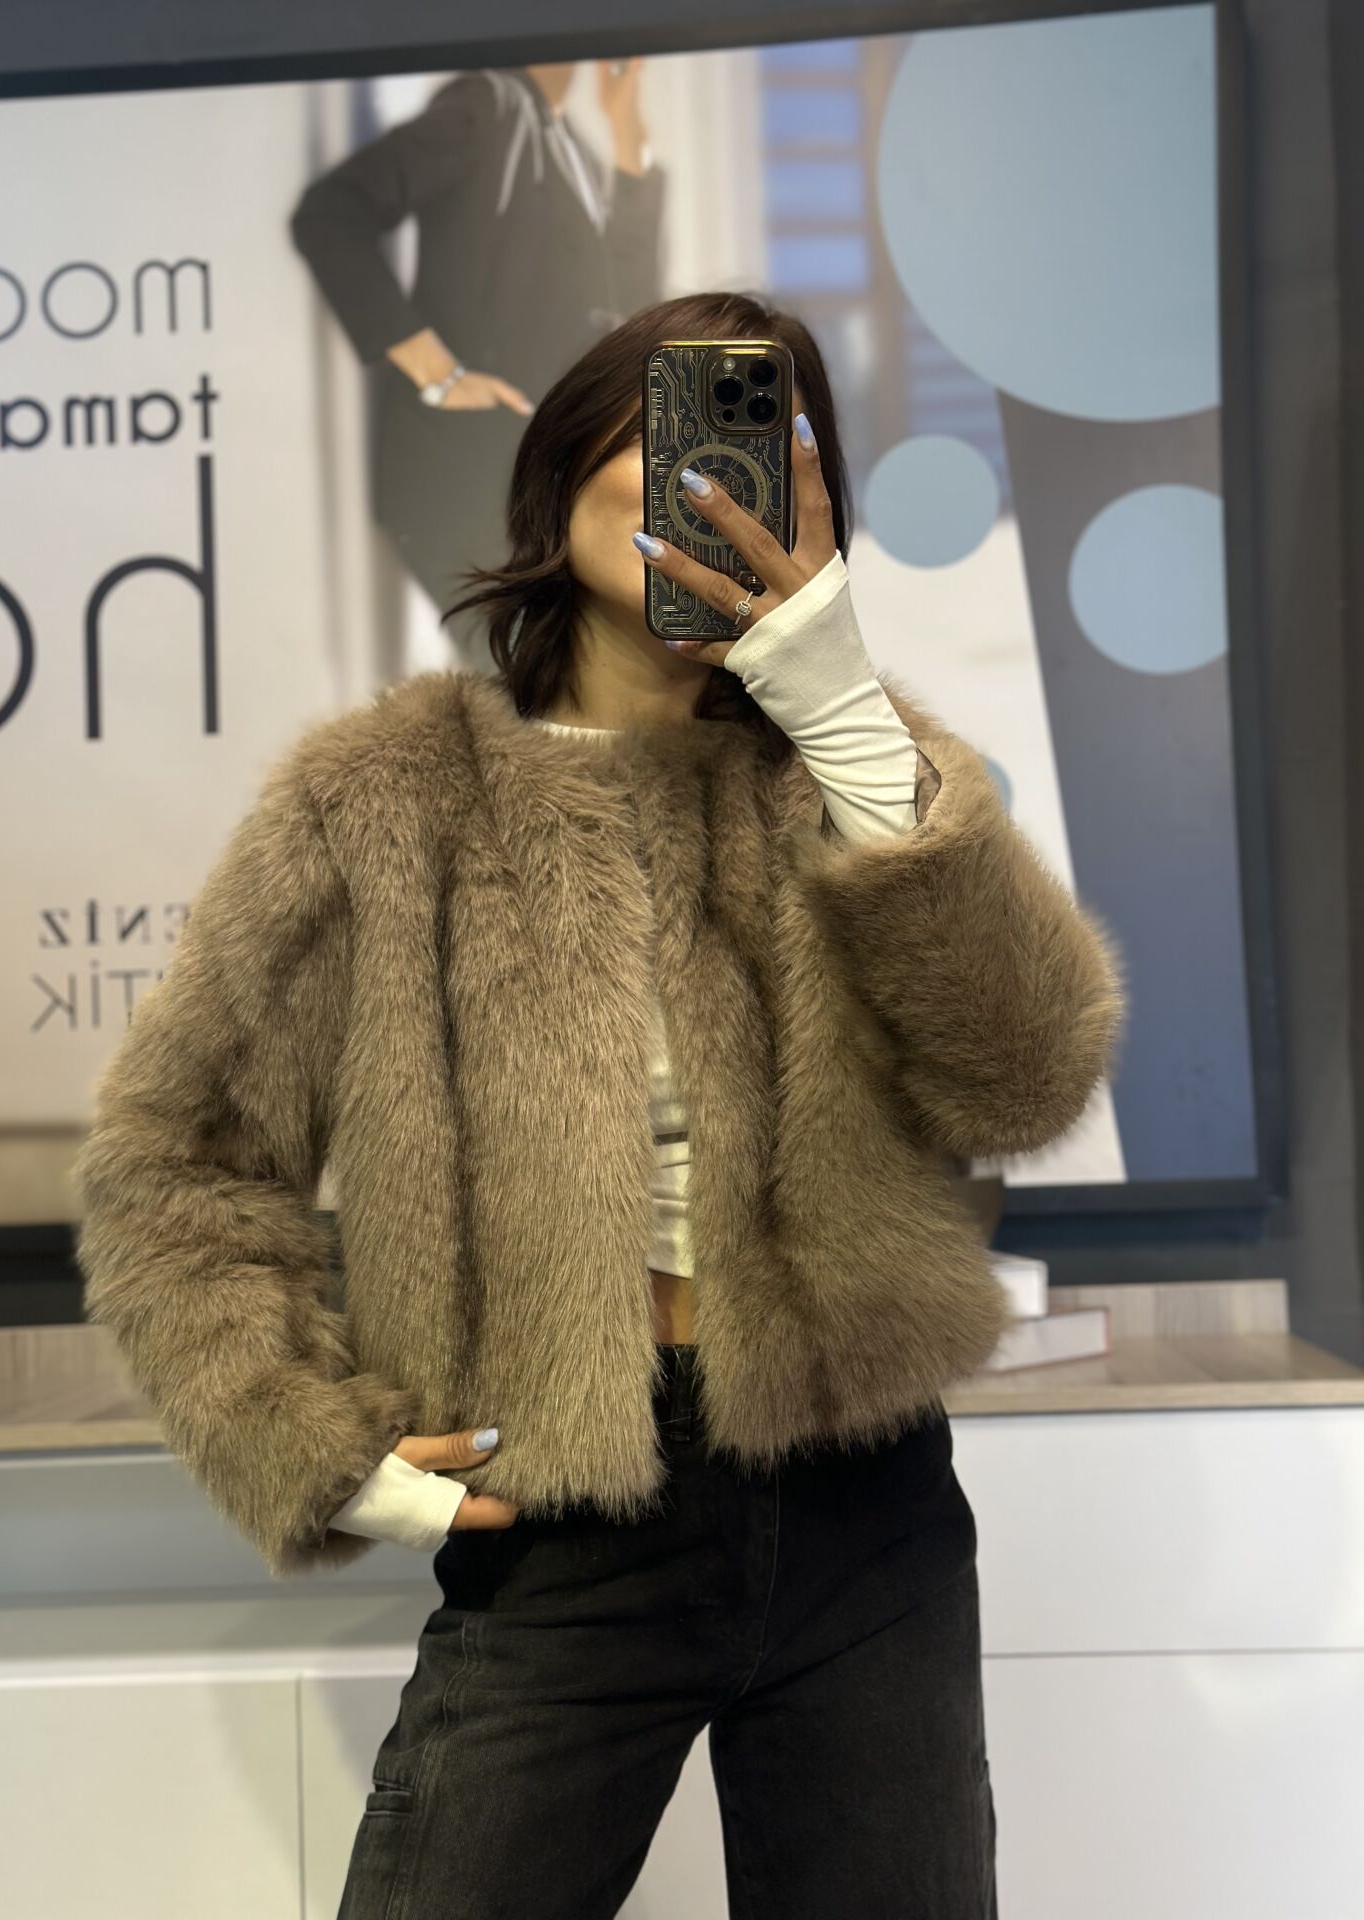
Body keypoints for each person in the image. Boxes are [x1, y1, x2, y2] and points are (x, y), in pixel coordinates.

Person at [73, 289, 1127, 1918]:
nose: (714, 481)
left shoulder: (863, 770)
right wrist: (310, 1442)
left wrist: (841, 705)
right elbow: (176, 1163)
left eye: (768, 446)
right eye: (671, 430)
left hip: (869, 1514)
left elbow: (1028, 1073)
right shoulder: (385, 799)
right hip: (557, 1518)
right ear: (563, 469)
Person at [289, 61, 665, 669]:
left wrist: (628, 133)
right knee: (537, 684)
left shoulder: (566, 145)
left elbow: (632, 306)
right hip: (470, 481)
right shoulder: (488, 108)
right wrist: (435, 370)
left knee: (564, 684)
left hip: (538, 486)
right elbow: (330, 213)